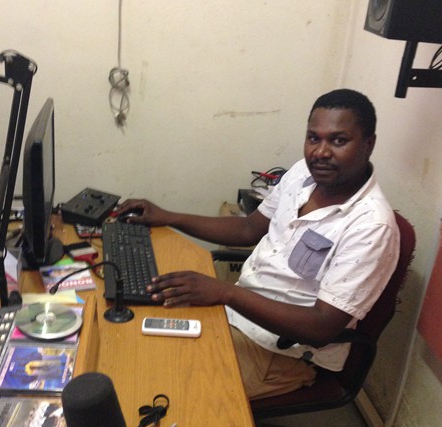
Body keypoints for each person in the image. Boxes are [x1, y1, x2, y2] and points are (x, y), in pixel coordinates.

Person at [118, 89, 400, 400]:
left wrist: (224, 292)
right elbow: (248, 228)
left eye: (338, 141)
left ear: (368, 144)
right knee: (136, 340)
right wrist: (168, 216)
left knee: (164, 390)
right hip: (236, 313)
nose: (320, 152)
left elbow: (322, 327)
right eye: (313, 138)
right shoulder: (302, 174)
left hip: (281, 352)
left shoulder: (371, 226)